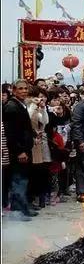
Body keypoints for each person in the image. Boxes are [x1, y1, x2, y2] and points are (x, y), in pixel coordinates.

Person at [2, 79, 38, 220]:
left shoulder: (20, 104)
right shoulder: (11, 107)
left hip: (25, 148)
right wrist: (19, 151)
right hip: (18, 151)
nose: (24, 91)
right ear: (14, 90)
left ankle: (23, 208)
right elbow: (11, 133)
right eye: (20, 88)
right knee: (18, 180)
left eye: (25, 88)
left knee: (23, 180)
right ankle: (18, 212)